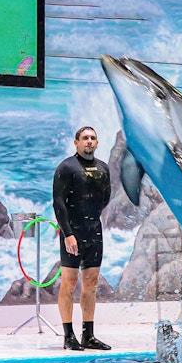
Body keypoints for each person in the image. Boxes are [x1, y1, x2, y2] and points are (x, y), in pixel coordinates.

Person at [52, 126, 112, 351]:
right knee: (69, 283)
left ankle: (88, 335)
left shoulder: (103, 168)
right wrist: (68, 234)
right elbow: (58, 203)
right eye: (85, 138)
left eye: (93, 138)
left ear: (97, 143)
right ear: (76, 142)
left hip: (94, 231)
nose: (89, 141)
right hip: (73, 232)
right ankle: (68, 336)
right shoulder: (67, 167)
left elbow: (105, 199)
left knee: (91, 284)